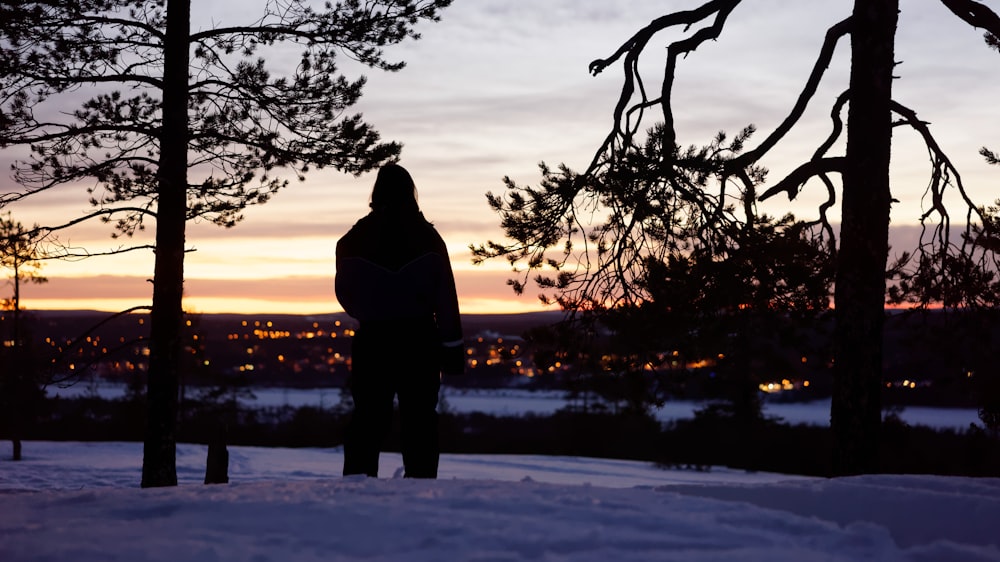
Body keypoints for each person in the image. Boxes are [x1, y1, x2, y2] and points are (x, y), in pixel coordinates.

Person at [335, 163, 464, 478]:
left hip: (373, 341)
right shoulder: (430, 240)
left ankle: (356, 489)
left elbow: (345, 295)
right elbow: (446, 298)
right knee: (420, 421)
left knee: (367, 419)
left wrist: (371, 311)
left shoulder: (352, 240)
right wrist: (453, 347)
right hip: (419, 341)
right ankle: (421, 488)